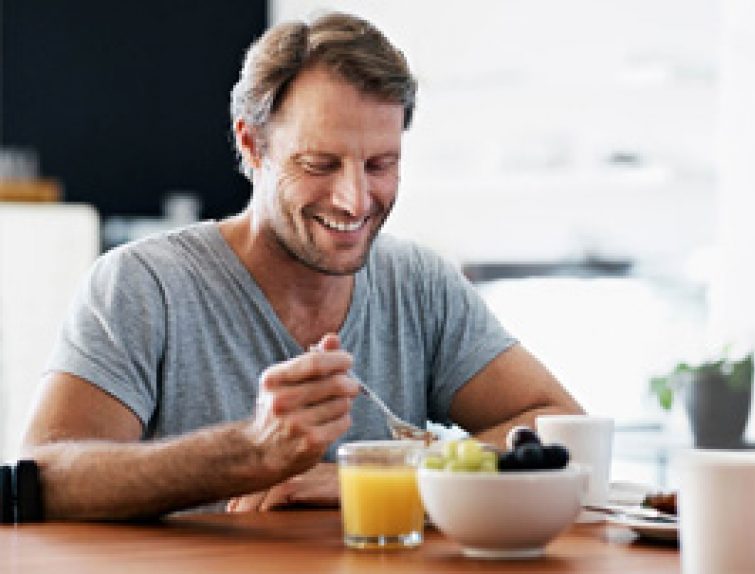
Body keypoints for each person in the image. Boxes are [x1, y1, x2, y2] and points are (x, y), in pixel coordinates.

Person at [22, 12, 583, 520]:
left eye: (381, 164)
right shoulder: (144, 285)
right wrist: (250, 452)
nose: (355, 200)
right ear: (252, 147)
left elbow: (559, 426)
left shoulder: (419, 283)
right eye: (320, 163)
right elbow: (43, 477)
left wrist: (383, 476)